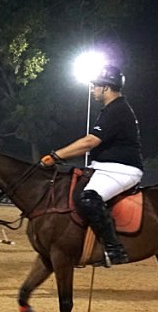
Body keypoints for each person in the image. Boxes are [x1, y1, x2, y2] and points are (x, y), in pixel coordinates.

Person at [39, 64, 142, 266]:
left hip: (122, 169)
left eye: (95, 86)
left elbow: (89, 142)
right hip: (105, 167)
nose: (93, 89)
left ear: (106, 87)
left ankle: (114, 249)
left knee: (88, 199)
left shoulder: (117, 110)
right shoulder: (111, 109)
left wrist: (55, 156)